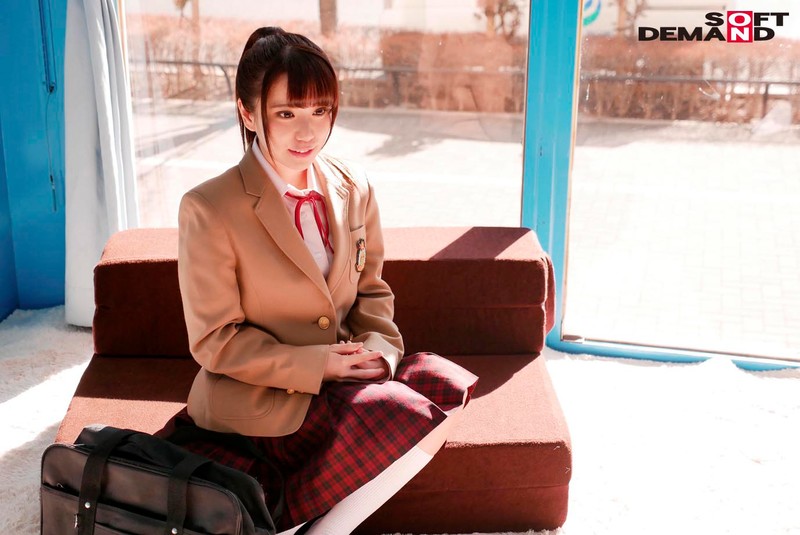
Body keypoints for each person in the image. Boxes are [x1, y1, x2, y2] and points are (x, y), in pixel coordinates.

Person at [175, 27, 477, 535]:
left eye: (320, 111)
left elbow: (372, 291)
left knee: (443, 385)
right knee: (393, 409)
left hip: (341, 380)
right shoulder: (209, 207)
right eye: (286, 114)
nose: (307, 133)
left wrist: (378, 353)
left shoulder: (353, 186)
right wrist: (321, 365)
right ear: (248, 113)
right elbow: (215, 340)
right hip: (260, 397)